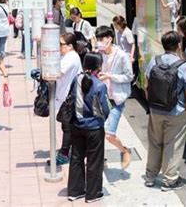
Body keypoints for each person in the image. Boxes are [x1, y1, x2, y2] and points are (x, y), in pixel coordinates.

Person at [144, 31, 186, 191]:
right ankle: (169, 181)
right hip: (176, 112)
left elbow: (147, 85)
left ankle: (150, 177)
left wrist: (151, 105)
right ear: (179, 45)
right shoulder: (183, 65)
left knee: (155, 143)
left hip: (155, 110)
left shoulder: (154, 61)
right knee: (173, 145)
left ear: (163, 44)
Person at [67, 52, 110, 203]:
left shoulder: (76, 79)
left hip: (76, 125)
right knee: (94, 161)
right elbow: (105, 109)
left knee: (76, 158)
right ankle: (93, 193)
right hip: (94, 128)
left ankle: (75, 191)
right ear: (98, 66)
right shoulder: (100, 86)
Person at [95, 26, 133, 169]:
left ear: (110, 39)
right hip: (102, 97)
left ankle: (124, 150)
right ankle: (101, 159)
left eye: (101, 39)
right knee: (97, 131)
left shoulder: (121, 55)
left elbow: (129, 76)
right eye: (98, 39)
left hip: (116, 98)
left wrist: (110, 76)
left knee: (109, 134)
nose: (99, 42)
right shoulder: (99, 54)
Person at [53, 33, 82, 165]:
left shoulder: (71, 58)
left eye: (61, 44)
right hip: (64, 96)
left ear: (70, 46)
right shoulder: (67, 56)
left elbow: (58, 72)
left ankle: (64, 153)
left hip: (68, 97)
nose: (59, 46)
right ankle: (68, 150)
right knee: (68, 126)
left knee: (67, 127)